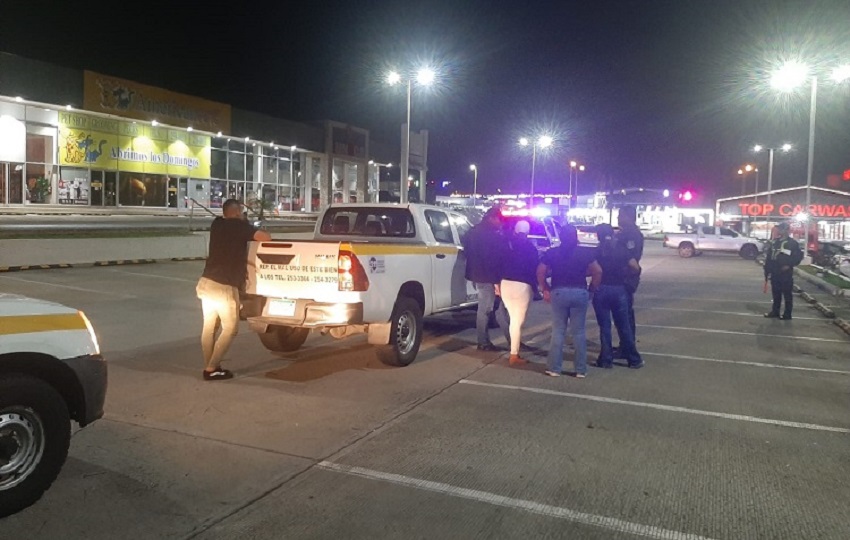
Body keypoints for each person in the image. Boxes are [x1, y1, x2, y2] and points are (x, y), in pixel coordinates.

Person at [196, 198, 271, 380]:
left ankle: (211, 365)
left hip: (206, 283)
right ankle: (212, 368)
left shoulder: (217, 224)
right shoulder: (239, 227)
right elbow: (265, 238)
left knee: (209, 327)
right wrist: (246, 223)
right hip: (224, 286)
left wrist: (241, 221)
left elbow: (231, 226)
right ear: (238, 213)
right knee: (230, 328)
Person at [537, 224, 602, 378]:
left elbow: (540, 270)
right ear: (576, 236)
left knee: (558, 330)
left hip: (559, 292)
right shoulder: (585, 253)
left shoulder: (552, 252)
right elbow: (598, 271)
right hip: (579, 291)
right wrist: (592, 289)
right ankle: (580, 369)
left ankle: (554, 368)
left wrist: (545, 287)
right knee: (578, 332)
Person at [592, 224, 644, 369]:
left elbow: (592, 270)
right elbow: (636, 267)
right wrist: (627, 275)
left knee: (605, 326)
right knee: (624, 326)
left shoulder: (597, 251)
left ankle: (606, 360)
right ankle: (634, 359)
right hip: (619, 289)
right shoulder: (622, 249)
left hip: (602, 289)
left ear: (598, 236)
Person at [464, 206, 511, 351]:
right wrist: (496, 281)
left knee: (488, 308)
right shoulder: (492, 236)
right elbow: (494, 259)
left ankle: (487, 341)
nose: (501, 223)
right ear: (492, 218)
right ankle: (483, 342)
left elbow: (467, 252)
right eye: (500, 220)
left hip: (477, 274)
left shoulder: (472, 232)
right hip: (489, 277)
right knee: (486, 309)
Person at [496, 220, 540, 365]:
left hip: (506, 284)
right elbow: (535, 268)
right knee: (517, 321)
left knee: (513, 319)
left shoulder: (506, 245)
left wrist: (496, 284)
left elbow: (498, 264)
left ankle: (514, 349)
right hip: (522, 286)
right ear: (527, 232)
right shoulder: (531, 249)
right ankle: (514, 354)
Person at [615, 205, 644, 355]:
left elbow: (630, 258)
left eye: (620, 215)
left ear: (628, 216)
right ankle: (625, 344)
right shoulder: (627, 233)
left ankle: (628, 347)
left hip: (626, 278)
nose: (618, 217)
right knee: (624, 314)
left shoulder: (631, 234)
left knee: (624, 315)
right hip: (625, 277)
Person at [763, 221, 803, 320]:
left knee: (787, 294)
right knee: (776, 293)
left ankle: (787, 314)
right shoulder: (775, 242)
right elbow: (769, 257)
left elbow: (798, 257)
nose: (780, 230)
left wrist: (789, 265)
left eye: (783, 229)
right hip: (775, 271)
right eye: (780, 228)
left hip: (785, 273)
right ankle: (775, 311)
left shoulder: (792, 243)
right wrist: (767, 270)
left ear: (787, 230)